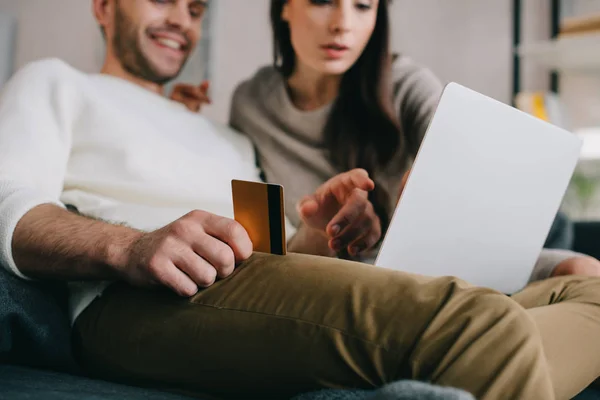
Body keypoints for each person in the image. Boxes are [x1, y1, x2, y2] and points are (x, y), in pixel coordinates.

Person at [2, 1, 600, 399]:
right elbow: (10, 199)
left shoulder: (225, 129)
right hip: (141, 298)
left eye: (194, 8)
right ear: (104, 6)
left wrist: (320, 234)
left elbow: (277, 257)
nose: (180, 19)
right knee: (478, 321)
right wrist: (133, 247)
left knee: (590, 291)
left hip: (250, 281)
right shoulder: (55, 81)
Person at [174, 0, 600, 277]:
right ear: (284, 7)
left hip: (442, 261)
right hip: (344, 273)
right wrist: (180, 114)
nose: (343, 24)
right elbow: (241, 190)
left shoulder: (403, 82)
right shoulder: (251, 103)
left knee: (583, 271)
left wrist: (444, 174)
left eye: (363, 6)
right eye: (323, 2)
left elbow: (461, 141)